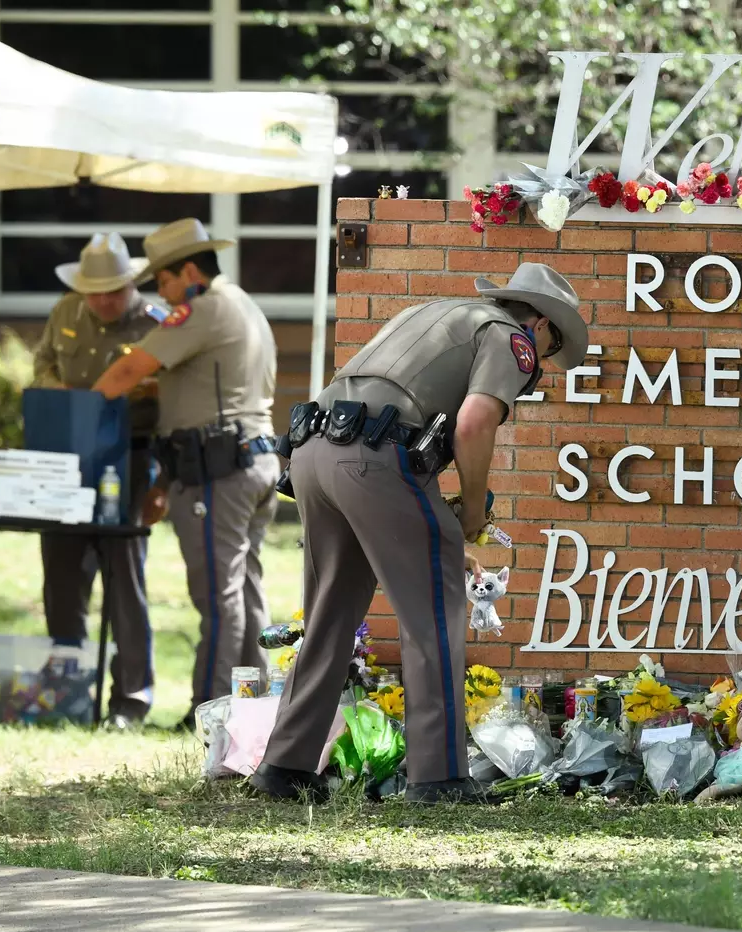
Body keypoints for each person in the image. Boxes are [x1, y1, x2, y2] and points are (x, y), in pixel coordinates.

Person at [250, 262, 589, 804]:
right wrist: (473, 513)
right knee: (435, 616)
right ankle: (438, 777)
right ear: (542, 325)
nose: (542, 360)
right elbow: (474, 422)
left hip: (313, 453)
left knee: (328, 615)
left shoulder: (430, 313)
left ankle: (284, 765)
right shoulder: (510, 337)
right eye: (550, 350)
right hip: (377, 461)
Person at [92, 218, 279, 728]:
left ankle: (210, 709)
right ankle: (251, 702)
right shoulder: (243, 302)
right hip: (256, 461)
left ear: (190, 271)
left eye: (164, 281)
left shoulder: (202, 308)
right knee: (245, 589)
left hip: (218, 468)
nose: (162, 294)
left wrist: (83, 409)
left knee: (217, 597)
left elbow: (128, 371)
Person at [32, 233, 166, 729]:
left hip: (129, 456)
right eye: (95, 291)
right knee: (61, 578)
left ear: (131, 284)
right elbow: (43, 361)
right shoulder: (66, 311)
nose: (104, 300)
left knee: (124, 581)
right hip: (66, 457)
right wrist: (60, 390)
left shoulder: (157, 322)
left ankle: (129, 702)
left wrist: (161, 482)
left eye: (113, 290)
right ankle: (66, 694)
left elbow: (169, 401)